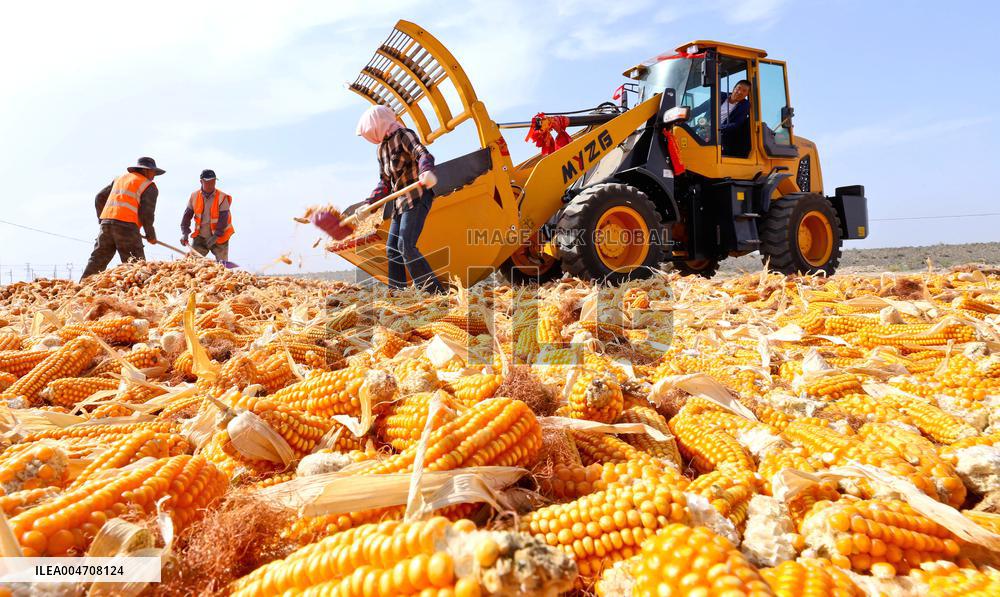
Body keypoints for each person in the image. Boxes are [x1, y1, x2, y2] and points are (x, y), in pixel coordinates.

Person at [317, 105, 444, 292]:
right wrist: (369, 205)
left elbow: (422, 153)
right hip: (400, 204)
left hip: (417, 197)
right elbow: (385, 182)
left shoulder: (403, 135)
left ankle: (434, 293)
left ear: (378, 125)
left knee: (405, 245)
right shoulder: (381, 149)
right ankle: (398, 294)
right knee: (392, 249)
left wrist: (426, 171)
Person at [81, 157, 163, 279]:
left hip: (107, 224)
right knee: (136, 265)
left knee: (97, 259)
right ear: (145, 171)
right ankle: (139, 295)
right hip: (127, 227)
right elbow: (147, 214)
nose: (154, 175)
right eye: (153, 172)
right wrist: (150, 234)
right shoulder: (148, 186)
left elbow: (99, 197)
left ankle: (82, 287)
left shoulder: (119, 179)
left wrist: (102, 220)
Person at [180, 169, 234, 262]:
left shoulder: (222, 197)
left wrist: (215, 237)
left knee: (223, 266)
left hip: (220, 237)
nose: (211, 184)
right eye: (208, 182)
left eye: (213, 182)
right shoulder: (194, 196)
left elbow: (223, 219)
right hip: (200, 237)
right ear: (201, 181)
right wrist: (185, 233)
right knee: (194, 264)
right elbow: (187, 216)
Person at [692, 79, 752, 156]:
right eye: (738, 88)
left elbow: (736, 124)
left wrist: (715, 129)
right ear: (734, 88)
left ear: (747, 94)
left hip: (720, 136)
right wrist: (686, 115)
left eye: (744, 91)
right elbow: (701, 108)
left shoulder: (745, 105)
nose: (740, 92)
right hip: (702, 129)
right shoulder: (720, 96)